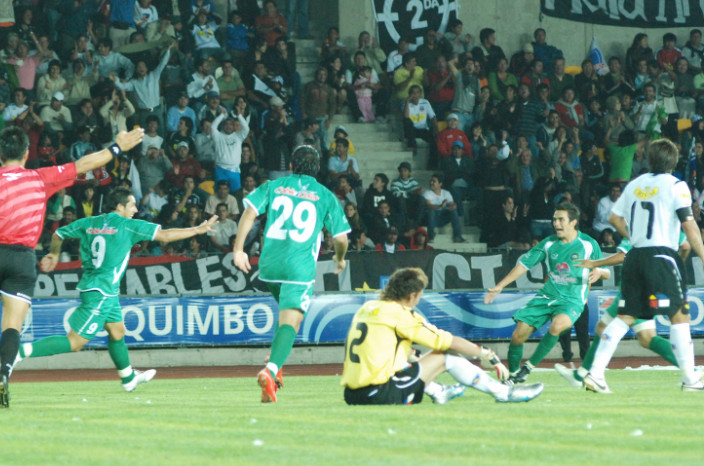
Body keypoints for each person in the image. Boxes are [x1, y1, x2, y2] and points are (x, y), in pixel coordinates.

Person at [0, 126, 145, 408]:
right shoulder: (39, 177)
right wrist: (117, 148)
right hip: (22, 258)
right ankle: (4, 376)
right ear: (26, 153)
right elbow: (84, 164)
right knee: (12, 326)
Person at [16, 187, 219, 391]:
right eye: (132, 205)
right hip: (101, 292)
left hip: (100, 289)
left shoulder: (90, 222)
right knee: (75, 342)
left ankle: (128, 377)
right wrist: (196, 230)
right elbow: (164, 236)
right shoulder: (128, 226)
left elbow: (58, 233)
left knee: (117, 332)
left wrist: (54, 254)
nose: (136, 210)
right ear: (120, 206)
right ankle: (19, 351)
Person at [583, 139, 704, 393]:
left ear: (650, 159)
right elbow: (689, 225)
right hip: (662, 255)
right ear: (673, 161)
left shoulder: (635, 185)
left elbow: (613, 217)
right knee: (679, 315)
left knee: (625, 317)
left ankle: (595, 374)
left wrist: (633, 236)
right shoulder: (676, 186)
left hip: (635, 256)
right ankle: (690, 380)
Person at [233, 145, 350, 403]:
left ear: (291, 166)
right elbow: (341, 238)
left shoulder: (273, 186)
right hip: (298, 269)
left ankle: (277, 366)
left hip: (270, 266)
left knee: (288, 317)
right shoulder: (325, 195)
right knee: (292, 322)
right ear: (317, 169)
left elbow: (249, 213)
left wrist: (239, 249)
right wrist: (340, 258)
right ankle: (270, 370)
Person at [341, 267, 544, 405]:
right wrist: (487, 355)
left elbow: (388, 350)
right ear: (412, 296)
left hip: (352, 395)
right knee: (446, 355)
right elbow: (450, 342)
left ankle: (438, 391)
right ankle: (504, 393)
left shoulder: (369, 308)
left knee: (408, 359)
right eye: (419, 296)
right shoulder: (401, 315)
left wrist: (416, 358)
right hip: (380, 394)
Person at [484, 202, 609, 384]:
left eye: (561, 220)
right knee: (518, 336)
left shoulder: (589, 244)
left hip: (572, 300)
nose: (556, 223)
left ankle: (527, 368)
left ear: (573, 222)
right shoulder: (549, 243)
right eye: (554, 219)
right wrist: (500, 286)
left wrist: (599, 271)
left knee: (557, 326)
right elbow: (524, 265)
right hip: (547, 296)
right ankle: (513, 377)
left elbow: (606, 271)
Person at [555, 234, 688, 388]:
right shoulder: (671, 225)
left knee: (608, 329)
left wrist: (595, 263)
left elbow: (624, 255)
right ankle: (582, 375)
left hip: (635, 286)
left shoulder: (636, 226)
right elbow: (685, 246)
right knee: (645, 337)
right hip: (657, 282)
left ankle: (587, 376)